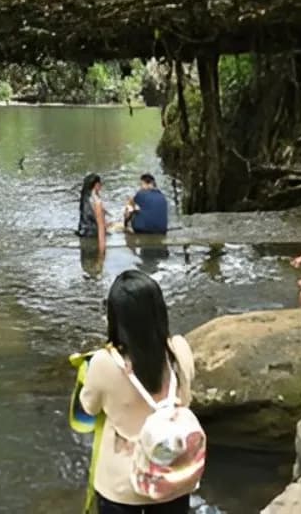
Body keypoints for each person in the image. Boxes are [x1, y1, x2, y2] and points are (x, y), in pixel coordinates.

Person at [77, 270, 202, 514]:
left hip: (122, 486)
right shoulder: (179, 350)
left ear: (116, 318)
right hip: (173, 477)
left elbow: (88, 408)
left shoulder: (104, 362)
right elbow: (184, 399)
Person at [77, 173, 108, 255]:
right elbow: (101, 228)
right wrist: (102, 253)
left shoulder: (84, 197)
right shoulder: (96, 201)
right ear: (97, 185)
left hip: (83, 233)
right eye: (100, 184)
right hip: (93, 235)